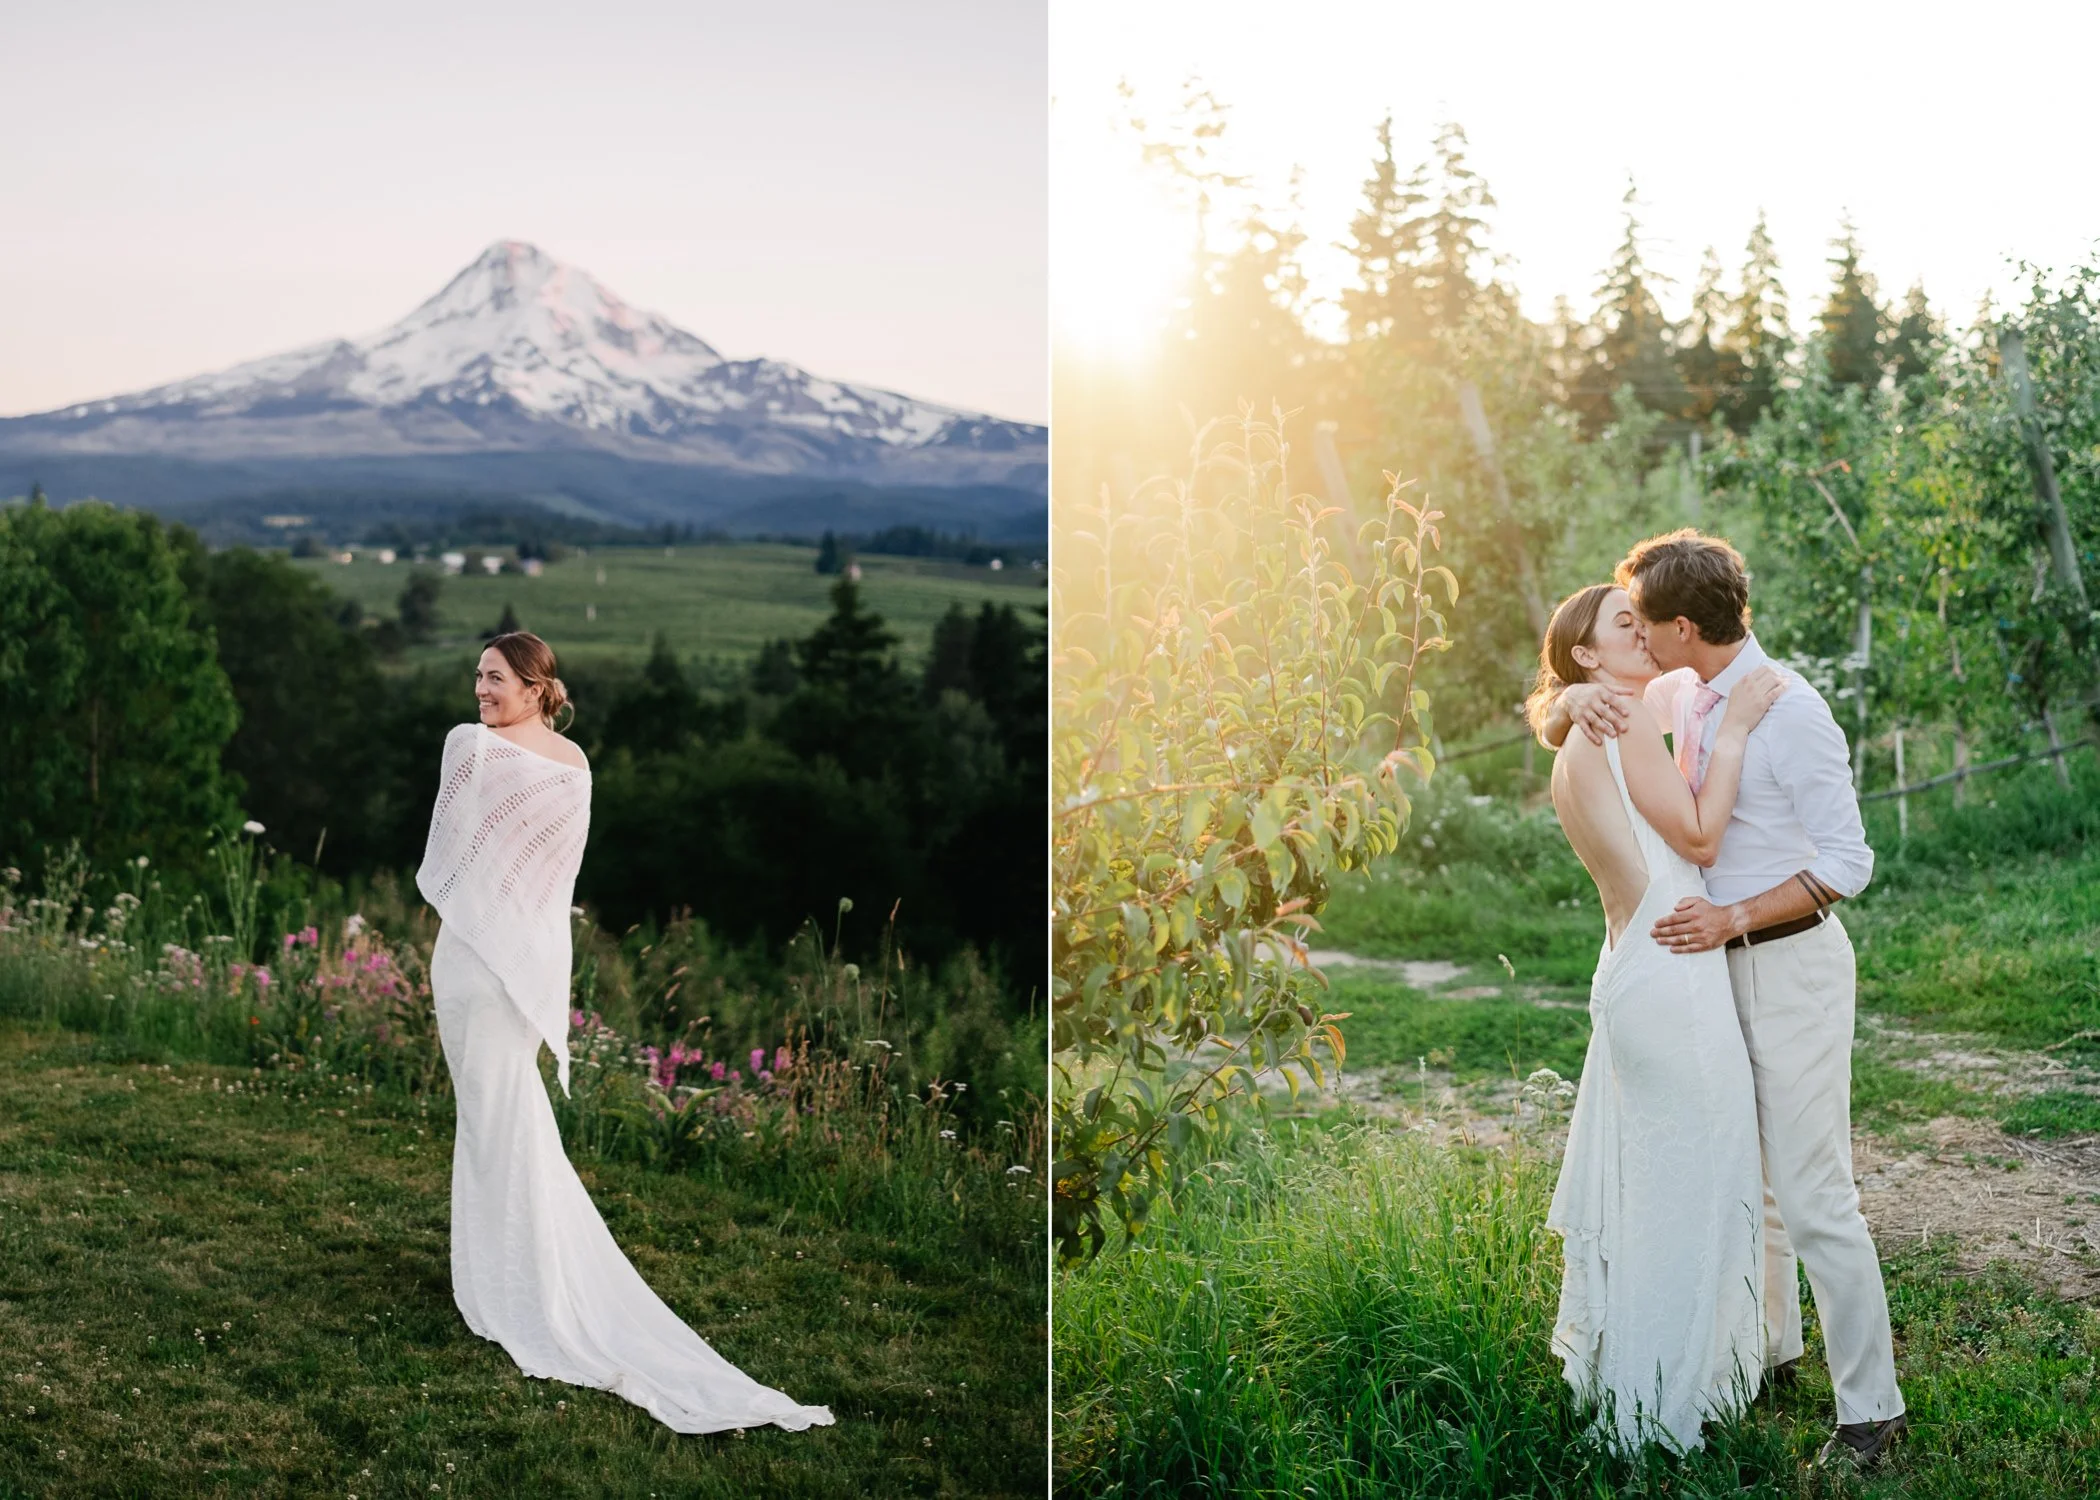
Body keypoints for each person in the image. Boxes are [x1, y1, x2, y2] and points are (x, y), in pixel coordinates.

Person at [1538, 531, 1907, 1470]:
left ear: (1681, 626)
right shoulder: (1669, 689)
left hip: (1784, 962)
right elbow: (1570, 715)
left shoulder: (1787, 711)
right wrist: (1570, 698)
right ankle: (1768, 1358)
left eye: (1642, 622)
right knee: (1758, 1183)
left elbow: (1847, 863)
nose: (1638, 637)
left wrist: (1734, 915)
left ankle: (1871, 1413)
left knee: (1817, 1192)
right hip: (1701, 967)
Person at [415, 630, 834, 1435]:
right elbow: (539, 885)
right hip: (498, 960)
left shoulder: (473, 751)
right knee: (497, 1116)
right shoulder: (572, 769)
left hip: (480, 960)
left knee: (501, 1118)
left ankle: (520, 1287)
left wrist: (511, 947)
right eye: (476, 677)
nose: (479, 691)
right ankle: (498, 1276)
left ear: (538, 688)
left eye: (496, 678)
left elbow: (465, 860)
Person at [1528, 582, 1777, 1453]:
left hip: (1632, 966)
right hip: (1673, 970)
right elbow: (1703, 839)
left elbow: (1609, 704)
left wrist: (1564, 697)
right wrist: (1739, 729)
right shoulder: (1619, 721)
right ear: (1587, 655)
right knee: (1694, 1189)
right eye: (1621, 625)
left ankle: (1634, 1388)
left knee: (1657, 1189)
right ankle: (1658, 1411)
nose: (1642, 632)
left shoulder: (1590, 728)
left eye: (1643, 618)